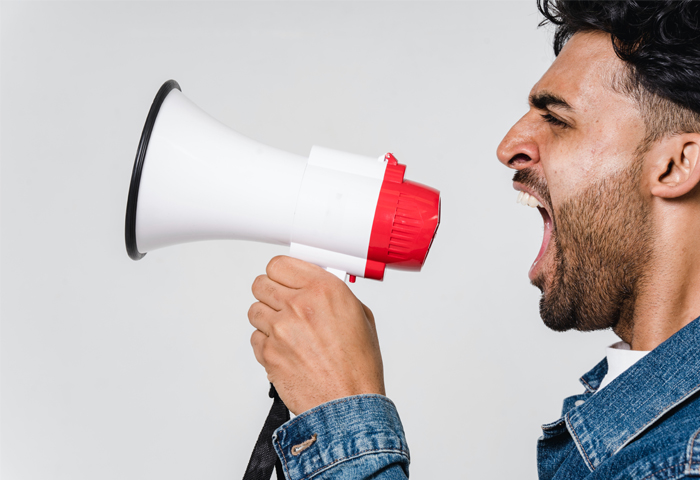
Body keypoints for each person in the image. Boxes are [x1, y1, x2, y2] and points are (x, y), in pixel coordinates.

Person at [247, 1, 700, 478]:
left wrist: (342, 411)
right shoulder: (636, 428)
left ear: (676, 166)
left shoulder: (686, 457)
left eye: (558, 119)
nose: (509, 146)